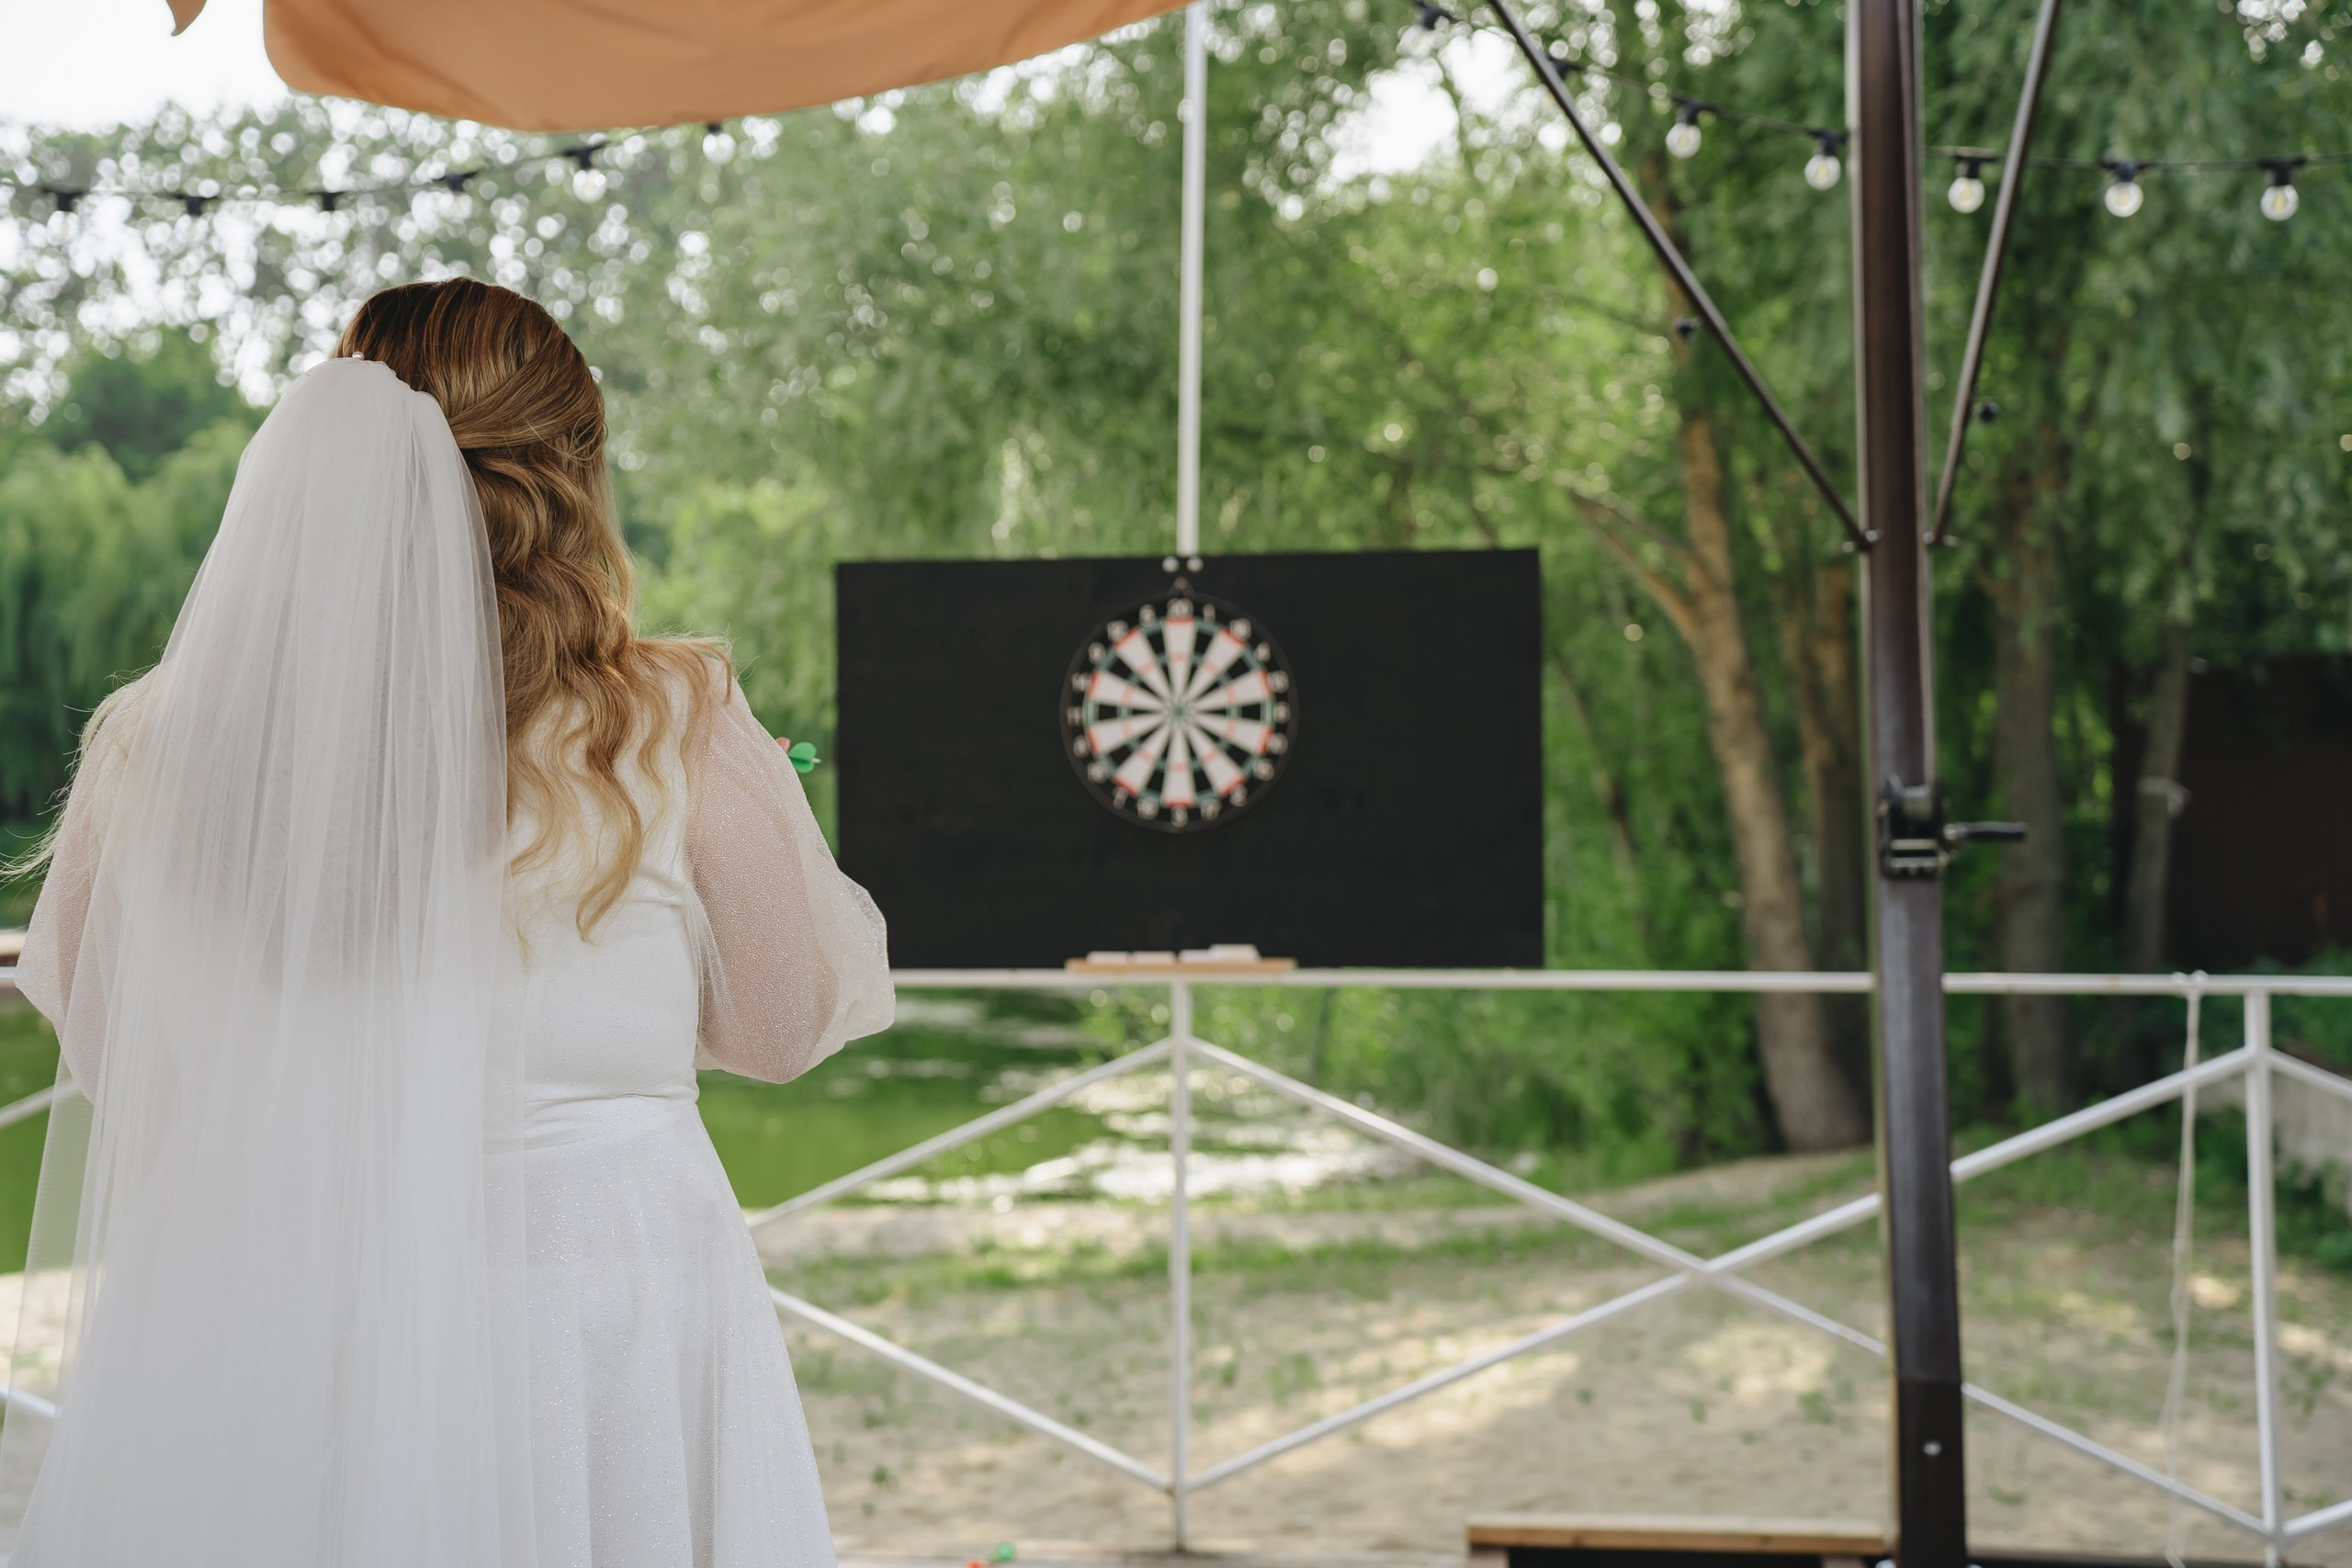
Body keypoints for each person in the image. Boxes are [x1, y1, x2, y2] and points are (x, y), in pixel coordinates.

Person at [0, 278, 892, 1567]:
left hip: (289, 1312)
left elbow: (99, 1023)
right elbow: (785, 1021)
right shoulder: (660, 715)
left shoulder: (160, 739)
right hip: (592, 1303)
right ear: (571, 472)